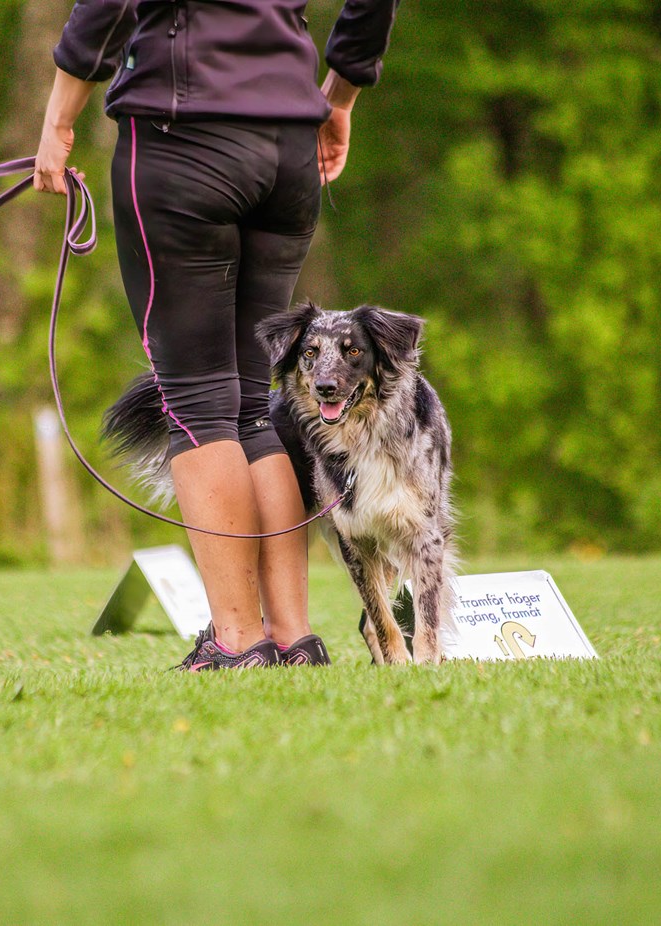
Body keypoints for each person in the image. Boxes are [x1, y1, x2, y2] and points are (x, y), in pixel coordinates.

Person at [34, 1, 400, 670]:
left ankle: (236, 641)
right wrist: (340, 91)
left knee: (198, 399)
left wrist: (60, 119)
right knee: (246, 401)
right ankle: (294, 638)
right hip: (290, 142)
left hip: (183, 131)